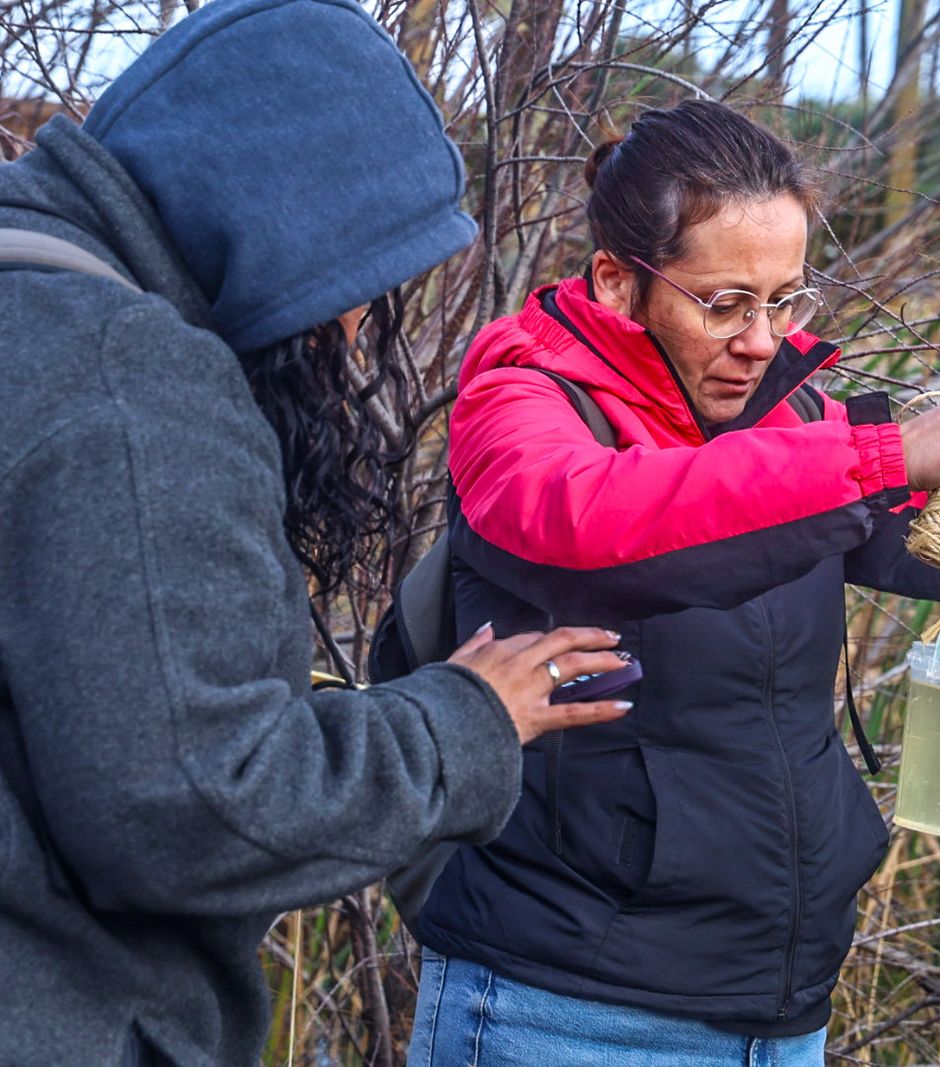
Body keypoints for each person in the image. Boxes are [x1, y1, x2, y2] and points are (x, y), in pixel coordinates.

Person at [406, 99, 940, 1065]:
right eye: (725, 303)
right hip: (561, 1011)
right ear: (618, 282)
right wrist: (878, 456)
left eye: (785, 299)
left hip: (779, 1012)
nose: (761, 338)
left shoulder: (795, 420)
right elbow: (589, 517)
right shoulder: (524, 399)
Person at [0, 2, 631, 1064]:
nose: (352, 328)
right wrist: (469, 719)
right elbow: (197, 804)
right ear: (289, 225)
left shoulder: (30, 305)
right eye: (357, 288)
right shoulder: (131, 386)